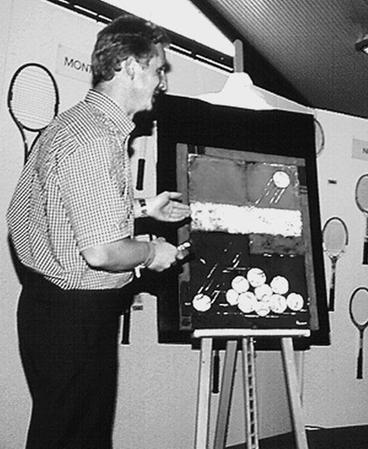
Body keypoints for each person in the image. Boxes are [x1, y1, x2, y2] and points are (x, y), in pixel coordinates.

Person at [6, 15, 191, 449]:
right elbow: (102, 251)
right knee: (73, 437)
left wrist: (146, 208)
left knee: (68, 433)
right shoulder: (95, 139)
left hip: (57, 312)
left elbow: (68, 213)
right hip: (74, 319)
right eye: (158, 68)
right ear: (130, 67)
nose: (162, 81)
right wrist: (150, 252)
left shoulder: (78, 124)